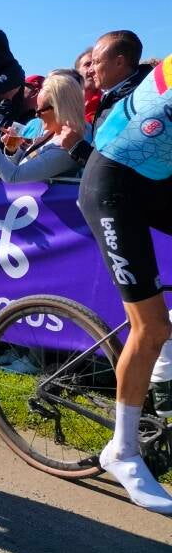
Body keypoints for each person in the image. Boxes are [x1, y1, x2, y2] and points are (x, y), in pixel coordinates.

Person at [77, 53, 172, 512]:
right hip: (113, 187)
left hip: (153, 178)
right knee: (150, 328)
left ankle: (165, 364)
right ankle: (123, 451)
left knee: (162, 330)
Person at [0, 72, 84, 183]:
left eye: (40, 110)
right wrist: (12, 148)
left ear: (59, 108)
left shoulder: (64, 146)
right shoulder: (51, 132)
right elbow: (19, 165)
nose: (36, 115)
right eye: (36, 109)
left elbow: (14, 178)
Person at [90, 30, 151, 134]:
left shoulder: (138, 102)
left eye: (96, 62)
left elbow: (111, 144)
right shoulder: (113, 96)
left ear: (119, 62)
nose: (90, 70)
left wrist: (76, 143)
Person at [74, 47, 101, 124]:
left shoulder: (107, 103)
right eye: (87, 64)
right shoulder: (67, 104)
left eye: (95, 64)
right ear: (77, 73)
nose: (92, 69)